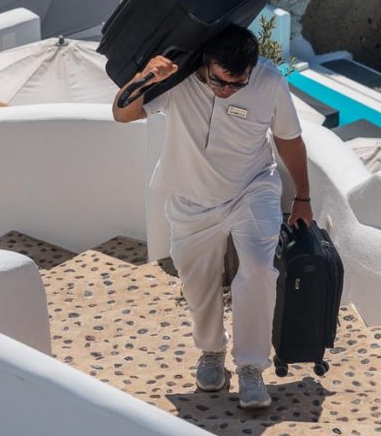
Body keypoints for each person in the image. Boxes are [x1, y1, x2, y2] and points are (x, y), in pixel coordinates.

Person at [112, 25, 310, 409]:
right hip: (191, 200)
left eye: (237, 85)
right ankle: (212, 352)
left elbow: (288, 138)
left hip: (252, 190)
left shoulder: (269, 82)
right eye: (220, 83)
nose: (226, 91)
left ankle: (251, 367)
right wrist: (145, 77)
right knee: (197, 285)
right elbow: (123, 113)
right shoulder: (178, 80)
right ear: (205, 64)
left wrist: (303, 196)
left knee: (257, 269)